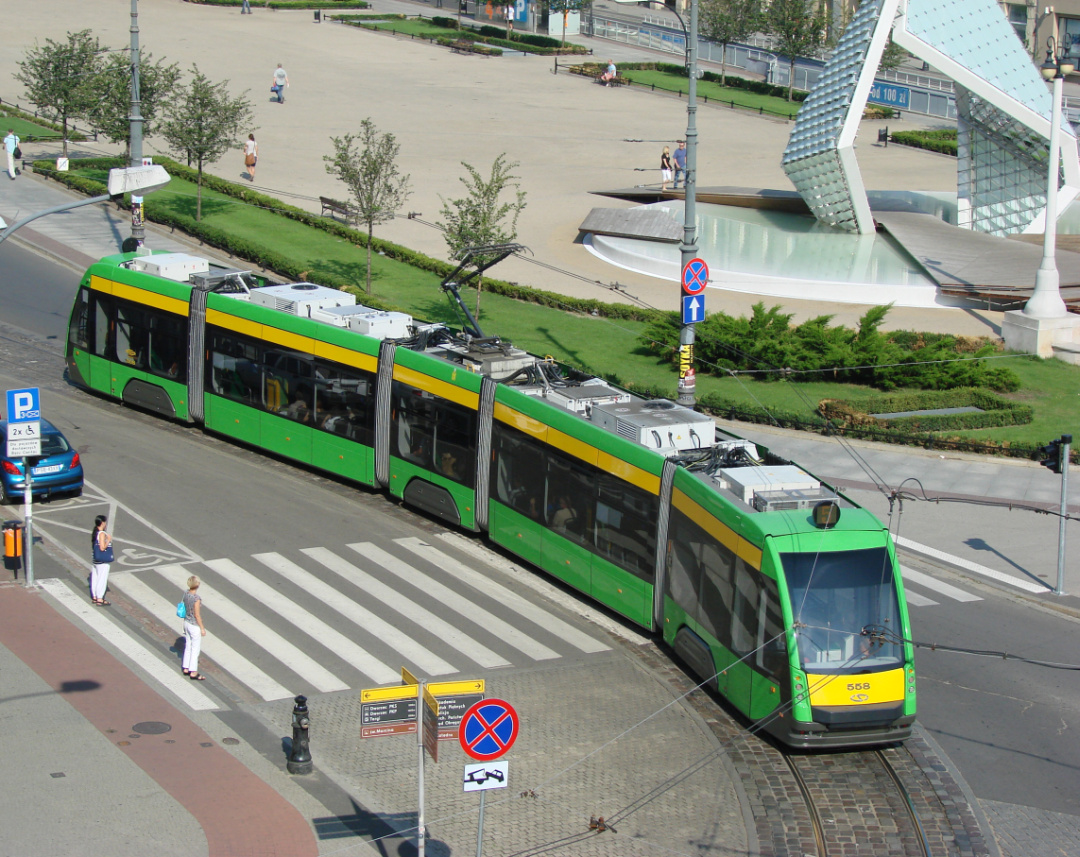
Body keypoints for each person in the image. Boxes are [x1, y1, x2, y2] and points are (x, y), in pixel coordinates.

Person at [181, 575, 207, 680]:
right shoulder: (196, 598)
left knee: (188, 646)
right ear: (197, 585)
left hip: (186, 622)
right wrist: (202, 628)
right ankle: (194, 672)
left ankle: (186, 667)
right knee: (195, 649)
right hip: (193, 625)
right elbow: (197, 615)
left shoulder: (186, 594)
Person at [90, 515, 113, 606]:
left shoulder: (95, 532)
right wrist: (108, 540)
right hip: (102, 561)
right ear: (102, 523)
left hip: (95, 559)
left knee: (95, 577)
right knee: (101, 578)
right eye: (105, 522)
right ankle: (100, 598)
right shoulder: (102, 533)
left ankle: (95, 596)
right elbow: (102, 547)